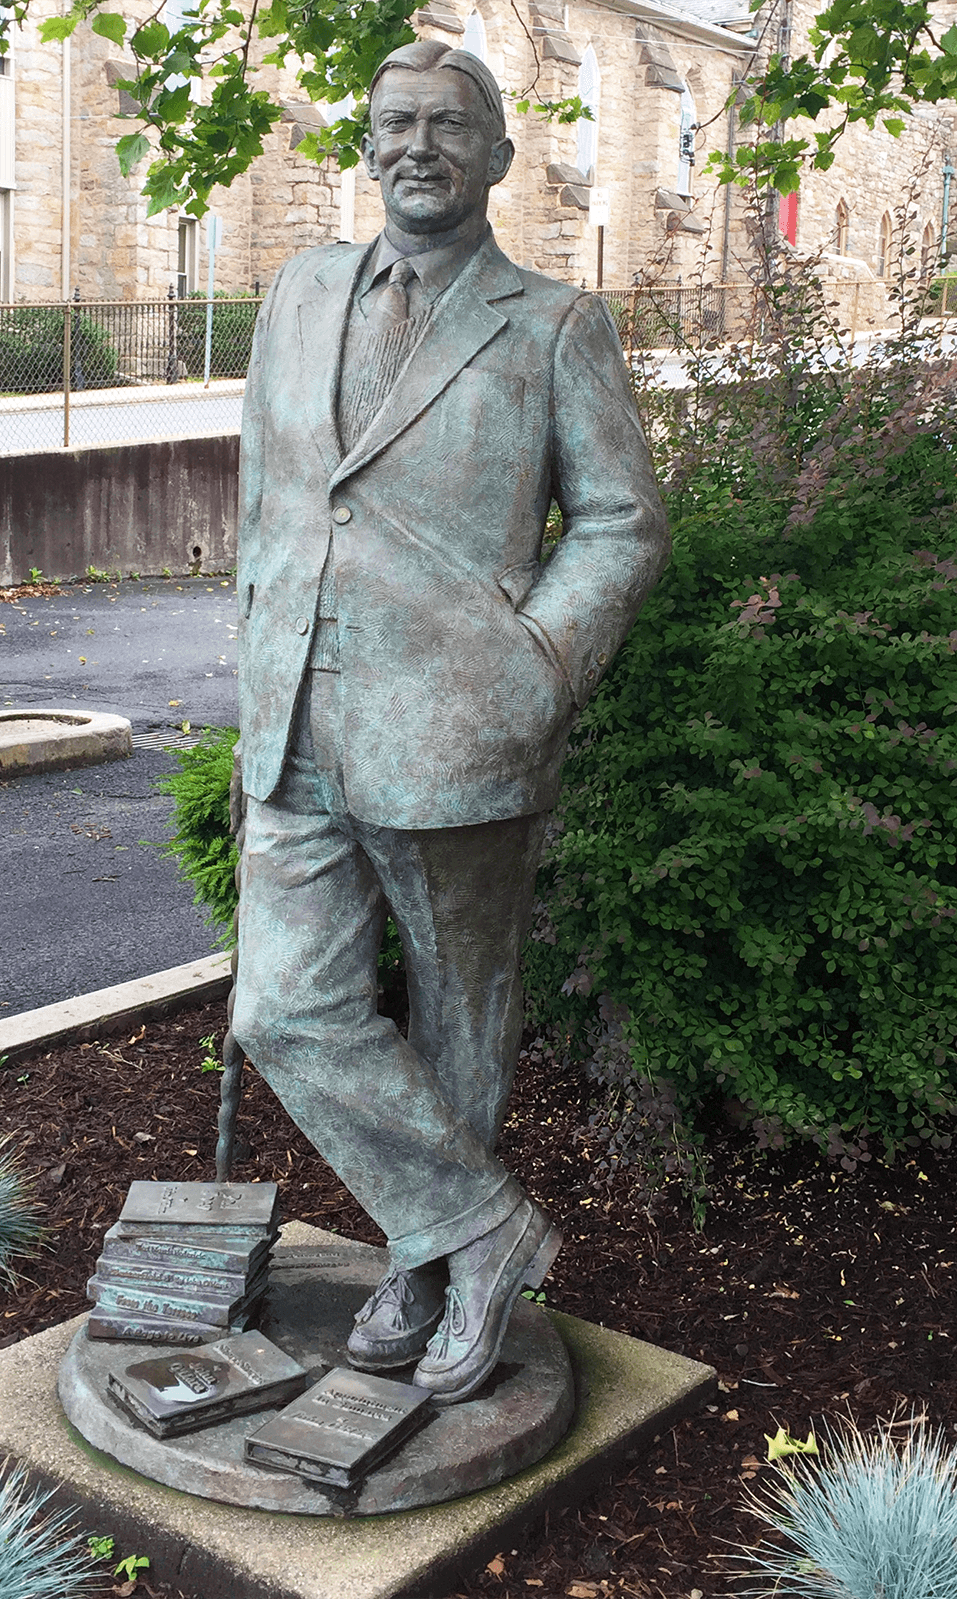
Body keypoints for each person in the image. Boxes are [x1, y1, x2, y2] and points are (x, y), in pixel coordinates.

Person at [231, 38, 668, 1405]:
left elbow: (622, 521)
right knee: (280, 1008)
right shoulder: (299, 291)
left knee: (459, 1018)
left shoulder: (553, 325)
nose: (418, 146)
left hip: (461, 723)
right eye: (397, 123)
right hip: (296, 716)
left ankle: (428, 1269)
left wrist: (536, 669)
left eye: (449, 125)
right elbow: (266, 500)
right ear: (368, 146)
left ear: (497, 157)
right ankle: (481, 1230)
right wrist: (252, 679)